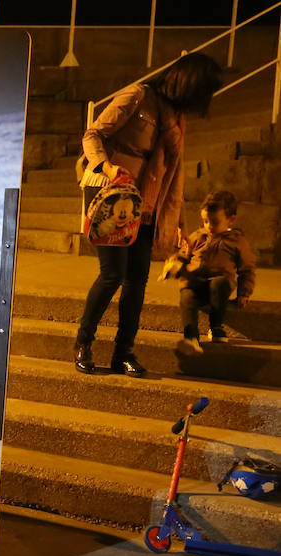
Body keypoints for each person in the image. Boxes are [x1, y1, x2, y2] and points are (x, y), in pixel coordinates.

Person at [74, 52, 222, 377]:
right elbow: (93, 134)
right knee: (112, 274)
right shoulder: (138, 95)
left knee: (137, 280)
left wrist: (179, 222)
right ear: (187, 83)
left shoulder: (176, 118)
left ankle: (122, 353)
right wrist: (107, 166)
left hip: (148, 202)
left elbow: (173, 175)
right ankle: (84, 343)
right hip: (112, 194)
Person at [176, 191, 256, 354]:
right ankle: (191, 337)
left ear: (230, 219)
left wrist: (244, 293)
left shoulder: (236, 241)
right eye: (205, 221)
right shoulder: (198, 236)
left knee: (219, 283)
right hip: (195, 282)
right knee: (186, 296)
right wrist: (176, 265)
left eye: (214, 222)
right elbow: (184, 255)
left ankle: (216, 326)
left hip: (219, 284)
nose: (209, 226)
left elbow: (247, 269)